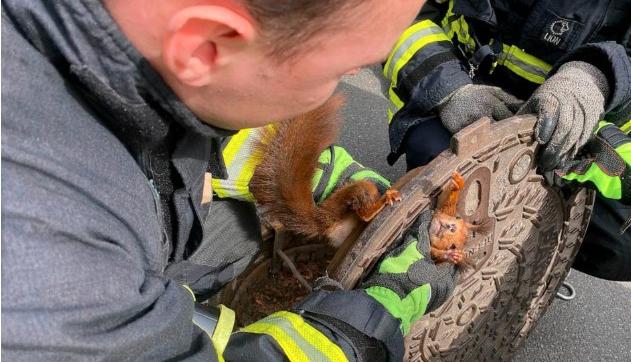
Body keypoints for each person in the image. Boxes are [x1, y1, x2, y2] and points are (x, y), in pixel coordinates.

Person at [2, 0, 458, 361]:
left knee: (236, 235)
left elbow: (236, 136)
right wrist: (371, 319)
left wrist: (332, 182)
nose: (352, 79)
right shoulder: (50, 270)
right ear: (205, 44)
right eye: (339, 70)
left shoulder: (125, 46)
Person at [383, 0, 631, 281]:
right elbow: (395, 10)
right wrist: (448, 90)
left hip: (568, 129)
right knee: (452, 181)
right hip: (466, 97)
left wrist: (599, 78)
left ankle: (526, 247)